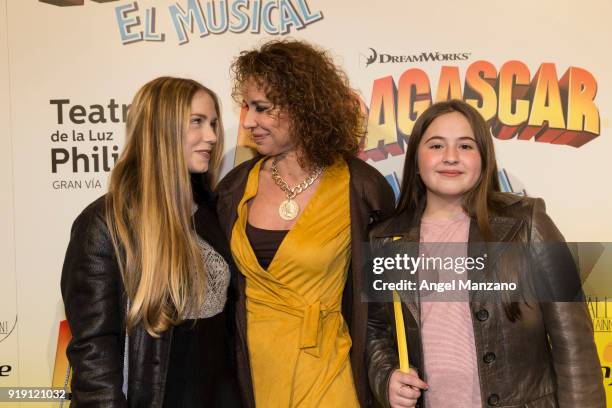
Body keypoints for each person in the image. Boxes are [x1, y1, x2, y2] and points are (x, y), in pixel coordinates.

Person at [366, 99, 605, 407]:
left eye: (466, 146)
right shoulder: (383, 239)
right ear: (415, 158)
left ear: (484, 157)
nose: (450, 157)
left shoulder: (530, 221)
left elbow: (575, 343)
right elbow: (375, 330)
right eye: (436, 146)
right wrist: (385, 378)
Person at [216, 39, 395, 407]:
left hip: (328, 372)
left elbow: (385, 305)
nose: (248, 122)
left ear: (302, 106)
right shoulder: (234, 188)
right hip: (251, 378)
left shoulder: (361, 188)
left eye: (262, 108)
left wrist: (389, 373)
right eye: (247, 107)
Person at [61, 77, 240, 407]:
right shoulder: (105, 224)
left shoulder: (215, 214)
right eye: (197, 122)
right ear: (161, 129)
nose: (212, 136)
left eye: (213, 123)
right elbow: (94, 353)